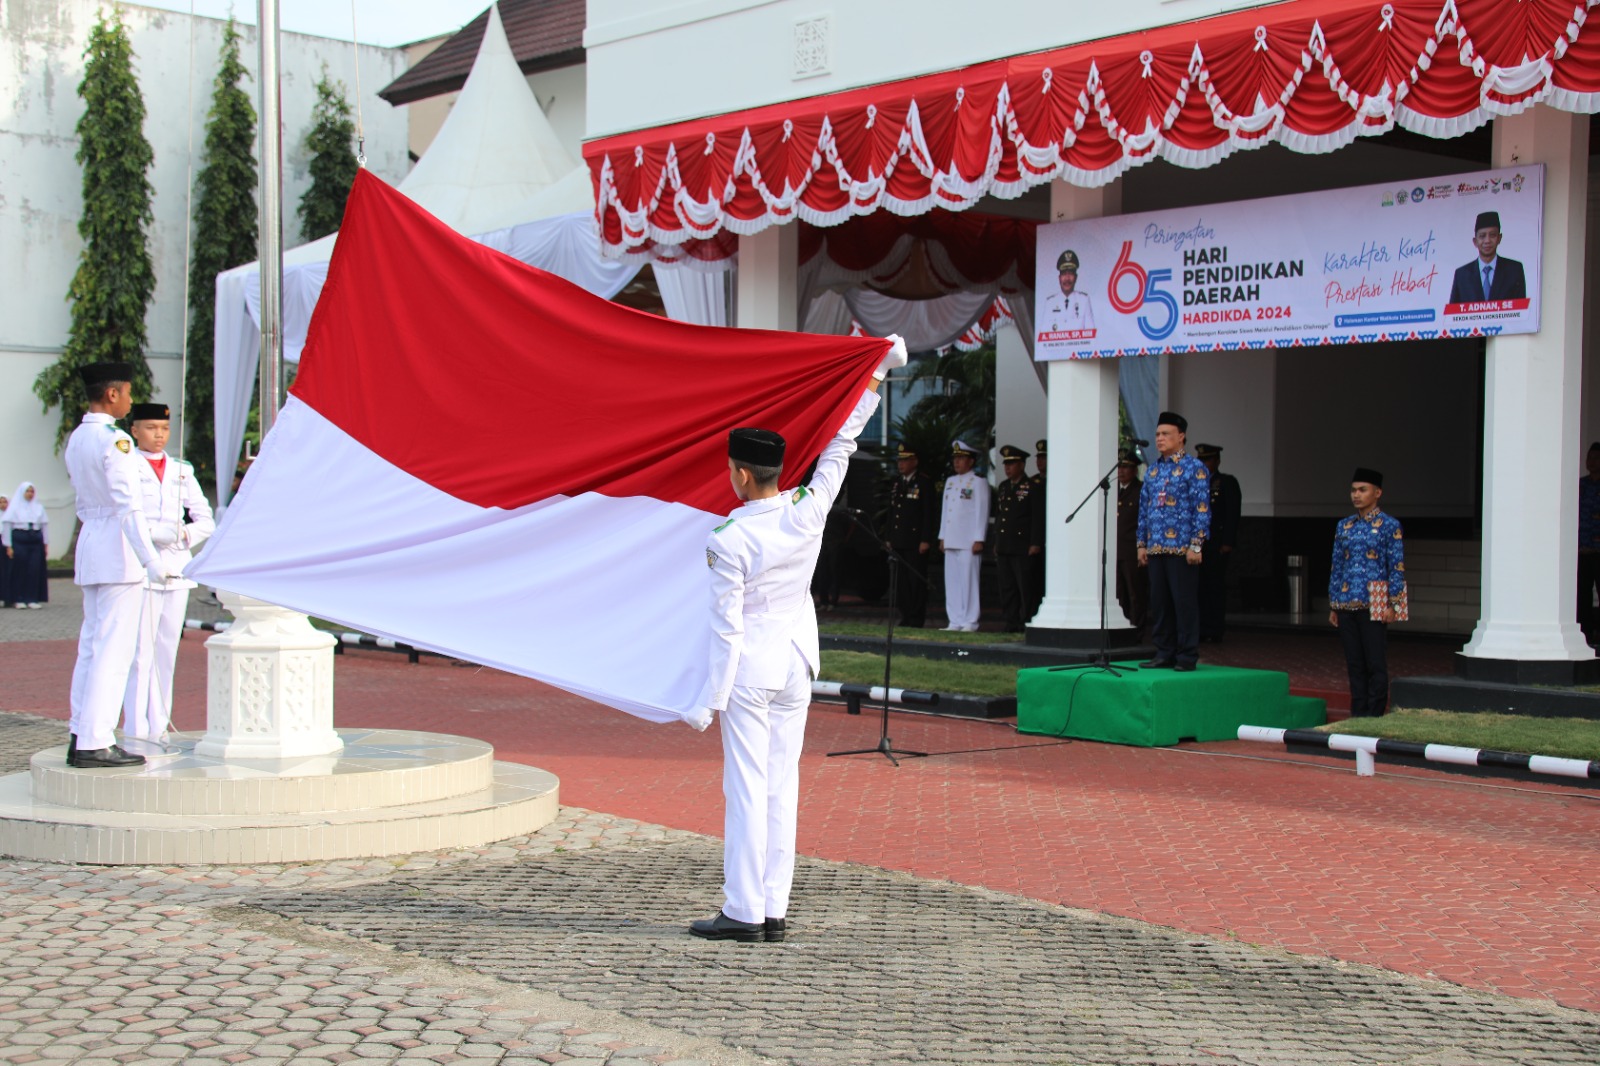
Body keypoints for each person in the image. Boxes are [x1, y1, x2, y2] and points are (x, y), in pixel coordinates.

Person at [690, 337, 905, 943]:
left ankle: (742, 911)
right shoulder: (806, 510)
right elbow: (840, 445)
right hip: (797, 665)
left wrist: (713, 693)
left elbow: (725, 625)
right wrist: (874, 378)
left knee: (746, 789)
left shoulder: (728, 539)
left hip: (752, 672)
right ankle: (774, 907)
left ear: (738, 473)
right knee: (783, 786)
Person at [63, 364, 172, 769]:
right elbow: (129, 508)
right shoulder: (117, 441)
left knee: (91, 646)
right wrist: (152, 561)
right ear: (112, 395)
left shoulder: (78, 437)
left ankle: (80, 732)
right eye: (126, 392)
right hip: (117, 548)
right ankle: (96, 740)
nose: (129, 399)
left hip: (92, 543)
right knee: (114, 649)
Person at [122, 403, 215, 742]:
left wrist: (185, 534)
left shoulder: (181, 470)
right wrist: (152, 532)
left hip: (176, 567)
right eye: (149, 428)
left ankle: (159, 725)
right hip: (142, 567)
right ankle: (135, 728)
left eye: (163, 428)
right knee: (140, 653)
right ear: (134, 430)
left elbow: (205, 519)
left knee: (166, 651)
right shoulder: (127, 465)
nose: (158, 435)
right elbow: (123, 514)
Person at [1328, 468, 1407, 717]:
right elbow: (1337, 565)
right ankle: (1357, 713)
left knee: (1375, 663)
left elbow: (1396, 566)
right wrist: (1334, 604)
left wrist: (1394, 604)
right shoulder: (1345, 526)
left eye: (1363, 490)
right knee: (1354, 663)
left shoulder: (1389, 525)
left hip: (1376, 602)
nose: (1356, 495)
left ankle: (1375, 714)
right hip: (1346, 601)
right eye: (1353, 490)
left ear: (1377, 492)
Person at [1136, 413, 1209, 670]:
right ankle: (1164, 652)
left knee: (1184, 603)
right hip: (1156, 546)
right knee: (1160, 603)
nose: (1160, 439)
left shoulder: (1194, 468)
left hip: (1182, 549)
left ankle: (1187, 655)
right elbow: (1144, 509)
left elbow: (1202, 509)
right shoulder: (1153, 470)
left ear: (1181, 436)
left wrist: (1196, 545)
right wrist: (1141, 544)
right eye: (1157, 434)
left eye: (1166, 434)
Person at [939, 439, 990, 632]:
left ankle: (970, 620)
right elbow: (946, 511)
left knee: (969, 581)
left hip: (969, 540)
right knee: (952, 581)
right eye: (955, 458)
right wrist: (942, 536)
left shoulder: (978, 481)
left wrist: (979, 538)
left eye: (961, 458)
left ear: (971, 461)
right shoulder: (950, 482)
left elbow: (981, 511)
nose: (957, 462)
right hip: (952, 538)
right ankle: (955, 620)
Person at [884, 444, 936, 628]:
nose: (901, 464)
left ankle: (916, 617)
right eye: (899, 460)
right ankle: (905, 615)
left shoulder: (924, 483)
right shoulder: (898, 483)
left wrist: (925, 539)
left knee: (915, 581)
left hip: (915, 542)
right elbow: (892, 512)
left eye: (905, 460)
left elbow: (928, 514)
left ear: (915, 461)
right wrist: (889, 536)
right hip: (899, 540)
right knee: (901, 582)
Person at [1194, 444, 1241, 641]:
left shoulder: (1225, 483)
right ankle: (1201, 628)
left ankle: (1215, 629)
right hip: (1197, 544)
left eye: (1208, 460)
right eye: (1201, 460)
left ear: (1217, 461)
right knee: (1198, 587)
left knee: (1215, 586)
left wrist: (1228, 541)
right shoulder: (1195, 482)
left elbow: (1232, 514)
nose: (1204, 464)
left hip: (1217, 543)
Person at [993, 444, 1038, 632]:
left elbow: (1037, 517)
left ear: (1022, 465)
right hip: (1005, 545)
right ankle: (1010, 621)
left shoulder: (1032, 487)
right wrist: (996, 542)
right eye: (1006, 464)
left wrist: (1035, 542)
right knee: (1007, 587)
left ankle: (1025, 619)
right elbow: (1000, 516)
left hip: (1022, 545)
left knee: (1024, 587)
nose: (1008, 468)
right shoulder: (1003, 487)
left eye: (1012, 464)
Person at [1448, 210, 1527, 304]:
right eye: (1482, 236)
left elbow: (1520, 310)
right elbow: (1453, 315)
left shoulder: (1514, 270)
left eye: (1492, 235)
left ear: (1499, 238)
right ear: (1475, 241)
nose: (1487, 241)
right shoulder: (1462, 275)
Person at [2, 482, 49, 609]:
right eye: (27, 491)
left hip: (35, 539)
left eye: (32, 491)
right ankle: (18, 598)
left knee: (33, 569)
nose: (30, 494)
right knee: (19, 570)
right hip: (19, 538)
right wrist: (8, 546)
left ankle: (32, 598)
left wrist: (45, 544)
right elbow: (7, 527)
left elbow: (44, 526)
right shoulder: (14, 508)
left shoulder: (39, 508)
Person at [1114, 451, 1147, 629]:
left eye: (1126, 467)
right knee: (1119, 593)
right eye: (1119, 466)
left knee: (1136, 593)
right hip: (1116, 550)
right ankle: (1122, 627)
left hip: (1132, 550)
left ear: (1134, 470)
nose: (1121, 471)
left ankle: (1137, 629)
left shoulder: (1141, 490)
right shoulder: (1112, 492)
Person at [1041, 250, 1096, 334]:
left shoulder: (1084, 300)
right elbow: (1044, 335)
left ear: (1076, 277)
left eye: (1070, 273)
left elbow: (1091, 333)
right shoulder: (1050, 302)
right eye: (1064, 274)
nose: (1067, 278)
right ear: (1059, 278)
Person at [1579, 443, 1600, 643]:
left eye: (1595, 458)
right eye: (1589, 457)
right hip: (1582, 550)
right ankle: (1584, 634)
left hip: (1598, 550)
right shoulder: (1580, 485)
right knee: (1582, 595)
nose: (1591, 462)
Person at [1028, 439, 1047, 619]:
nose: (1040, 461)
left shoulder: (1058, 480)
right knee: (1033, 581)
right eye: (1039, 458)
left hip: (1051, 539)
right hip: (1035, 538)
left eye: (1044, 458)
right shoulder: (1032, 481)